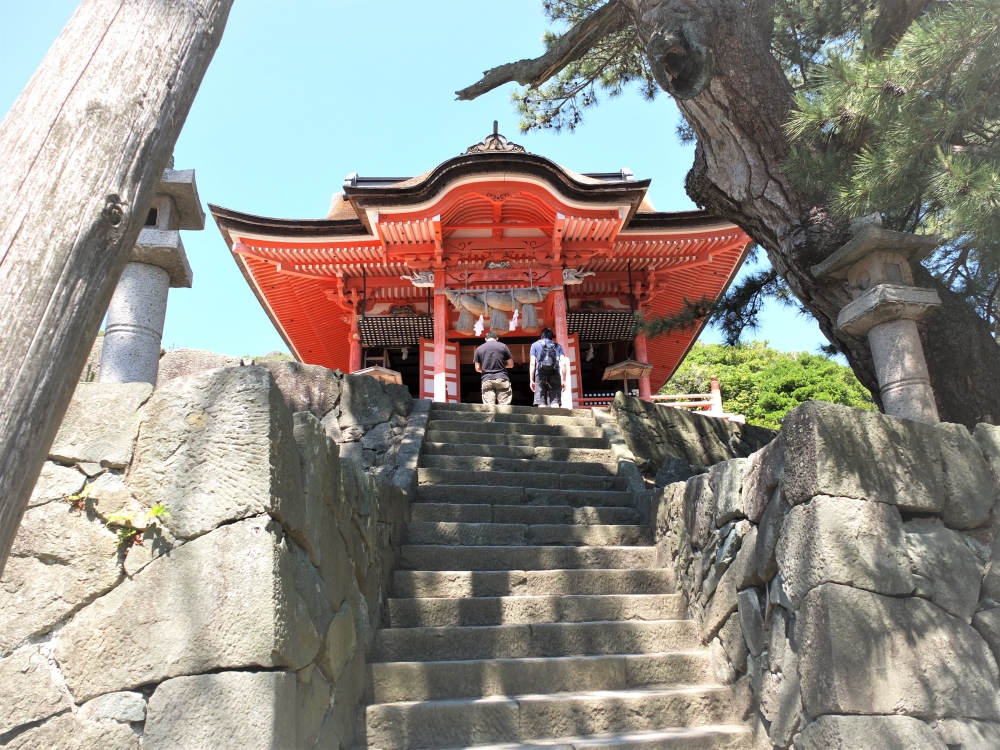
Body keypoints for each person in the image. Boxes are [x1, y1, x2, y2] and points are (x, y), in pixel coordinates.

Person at [529, 328, 568, 408]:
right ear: (552, 337)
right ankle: (556, 420)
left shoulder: (535, 345)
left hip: (540, 375)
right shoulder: (558, 346)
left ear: (541, 336)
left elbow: (532, 363)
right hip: (555, 374)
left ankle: (542, 420)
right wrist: (564, 380)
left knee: (541, 402)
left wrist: (531, 380)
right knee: (555, 402)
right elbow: (563, 364)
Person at [473, 330, 514, 405]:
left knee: (489, 406)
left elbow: (477, 368)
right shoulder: (503, 346)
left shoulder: (479, 349)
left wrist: (486, 370)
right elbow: (511, 364)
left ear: (485, 339)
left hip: (486, 379)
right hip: (502, 377)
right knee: (504, 406)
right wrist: (502, 365)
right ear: (497, 338)